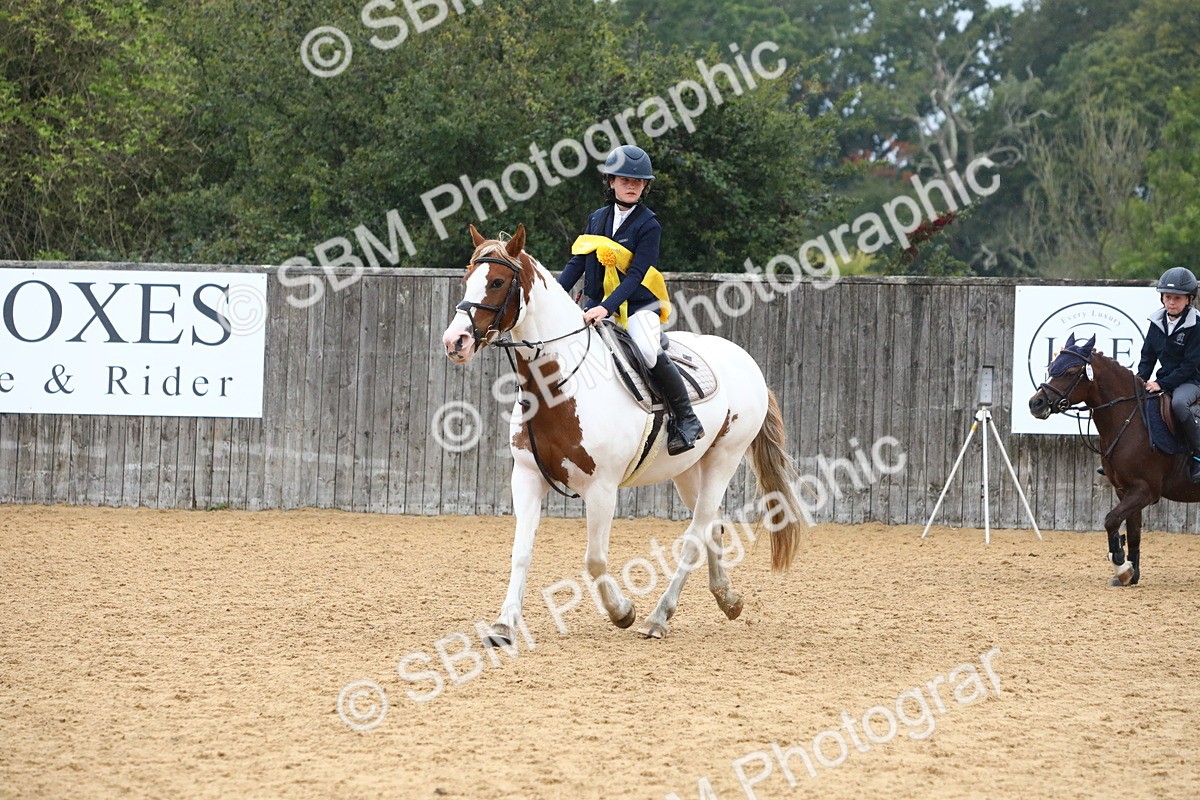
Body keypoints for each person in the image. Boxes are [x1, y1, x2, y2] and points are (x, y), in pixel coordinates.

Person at [558, 144, 704, 455]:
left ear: (644, 186)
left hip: (638, 307)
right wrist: (555, 296)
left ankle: (687, 418)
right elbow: (577, 264)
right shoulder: (596, 219)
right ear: (611, 182)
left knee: (648, 350)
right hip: (595, 306)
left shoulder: (648, 224)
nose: (631, 186)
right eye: (625, 180)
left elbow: (637, 275)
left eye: (637, 182)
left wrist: (606, 308)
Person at [1137, 266, 1200, 482]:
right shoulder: (1156, 323)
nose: (1171, 302)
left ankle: (1198, 456)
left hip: (1191, 380)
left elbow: (1190, 365)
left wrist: (1162, 384)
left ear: (1189, 299)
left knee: (1179, 404)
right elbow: (1147, 357)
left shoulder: (1196, 325)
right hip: (1166, 378)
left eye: (1177, 298)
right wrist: (1140, 380)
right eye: (1168, 297)